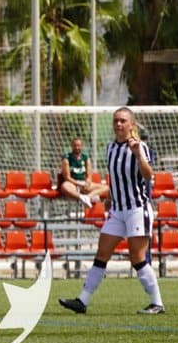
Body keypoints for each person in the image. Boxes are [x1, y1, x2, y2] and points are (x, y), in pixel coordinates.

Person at [59, 106, 166, 316]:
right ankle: (82, 301)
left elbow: (148, 175)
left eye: (123, 121)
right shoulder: (110, 148)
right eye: (116, 120)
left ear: (131, 124)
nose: (118, 124)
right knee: (102, 254)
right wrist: (109, 198)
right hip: (117, 210)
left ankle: (157, 303)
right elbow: (115, 179)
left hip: (137, 209)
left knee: (137, 257)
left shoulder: (140, 147)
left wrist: (138, 155)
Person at [56, 138, 107, 208]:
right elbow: (67, 177)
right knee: (64, 186)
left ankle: (88, 197)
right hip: (72, 183)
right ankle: (81, 197)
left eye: (79, 146)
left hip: (83, 183)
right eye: (75, 145)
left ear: (82, 146)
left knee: (106, 188)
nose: (77, 147)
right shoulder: (66, 159)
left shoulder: (86, 158)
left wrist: (88, 182)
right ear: (72, 146)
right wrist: (78, 184)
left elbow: (89, 175)